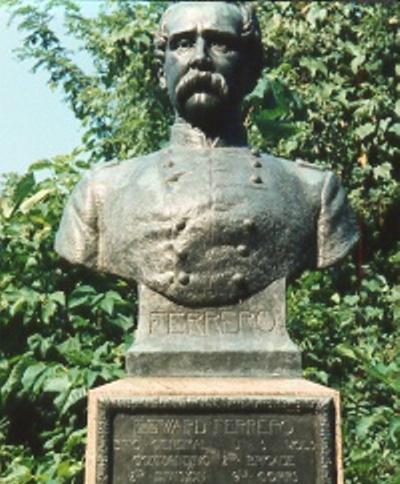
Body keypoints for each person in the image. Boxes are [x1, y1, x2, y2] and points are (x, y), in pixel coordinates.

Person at [55, 1, 358, 308]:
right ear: (161, 72)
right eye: (184, 44)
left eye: (221, 44)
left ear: (251, 70)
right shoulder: (102, 192)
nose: (200, 58)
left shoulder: (312, 191)